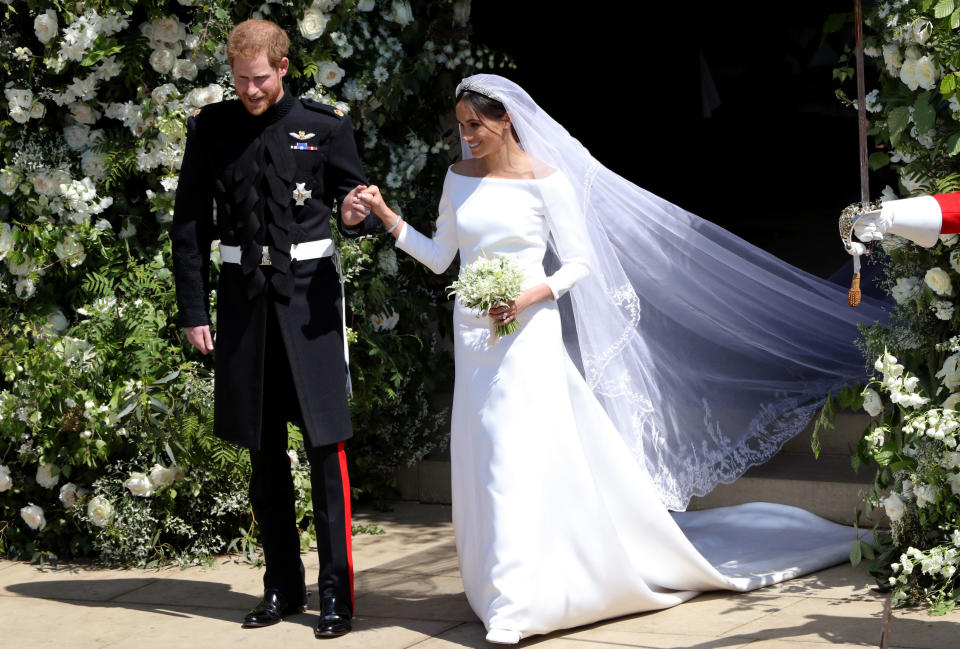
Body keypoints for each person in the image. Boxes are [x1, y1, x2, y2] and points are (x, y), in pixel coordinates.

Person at [351, 74, 888, 643]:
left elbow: (580, 263)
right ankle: (496, 584)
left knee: (515, 456)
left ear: (505, 119)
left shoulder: (546, 181)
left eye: (476, 124)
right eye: (461, 126)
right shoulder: (457, 179)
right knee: (483, 458)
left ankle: (517, 602)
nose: (468, 136)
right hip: (474, 336)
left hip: (529, 332)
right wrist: (388, 216)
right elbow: (440, 260)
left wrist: (534, 294)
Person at [170, 19, 376, 639]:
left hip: (309, 308)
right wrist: (194, 311)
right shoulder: (212, 128)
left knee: (325, 452)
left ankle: (336, 594)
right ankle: (282, 586)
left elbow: (353, 205)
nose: (250, 91)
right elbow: (189, 226)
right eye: (240, 80)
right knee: (264, 458)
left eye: (259, 79)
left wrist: (351, 211)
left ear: (284, 68)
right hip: (242, 308)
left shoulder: (326, 125)